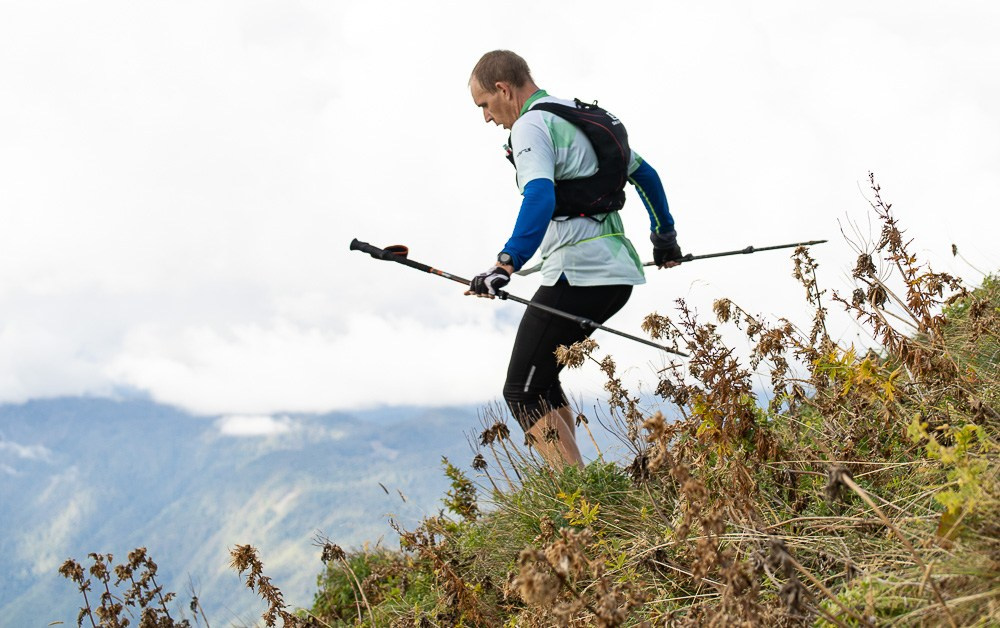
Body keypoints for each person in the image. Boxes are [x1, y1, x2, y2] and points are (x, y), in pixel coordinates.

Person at [466, 50, 681, 469]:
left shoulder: (530, 125)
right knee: (541, 381)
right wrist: (664, 239)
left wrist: (506, 262)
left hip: (578, 275)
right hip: (617, 275)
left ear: (503, 89)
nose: (488, 119)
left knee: (521, 392)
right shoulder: (574, 114)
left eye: (485, 106)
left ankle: (579, 499)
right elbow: (646, 174)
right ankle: (577, 487)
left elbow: (540, 195)